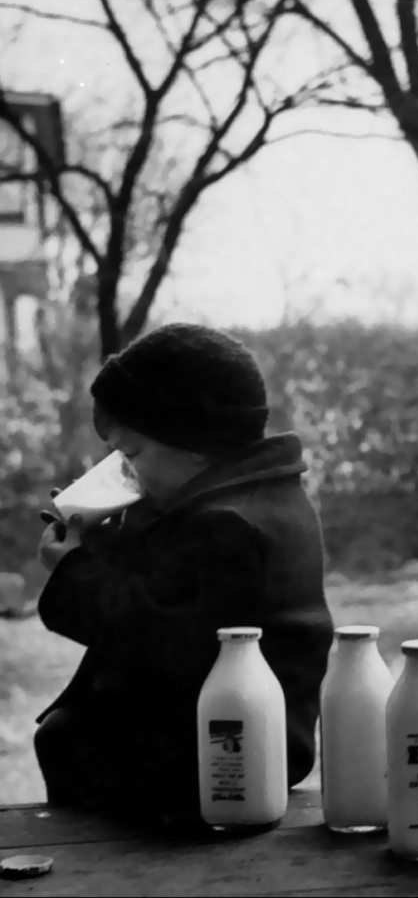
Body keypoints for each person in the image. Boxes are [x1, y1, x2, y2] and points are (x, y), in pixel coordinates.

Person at [34, 323, 334, 826]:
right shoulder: (243, 500)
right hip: (224, 742)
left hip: (218, 756)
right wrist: (102, 541)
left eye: (132, 454)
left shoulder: (231, 526)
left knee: (69, 741)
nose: (126, 470)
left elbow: (153, 628)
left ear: (194, 443)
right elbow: (168, 580)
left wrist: (73, 570)